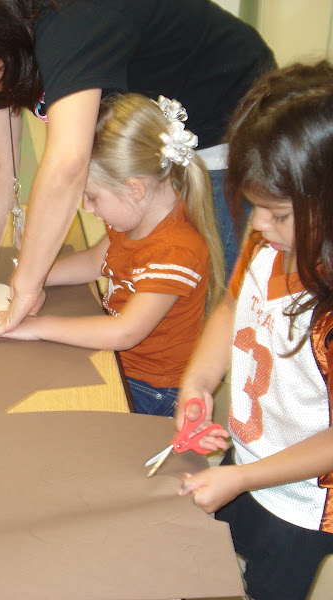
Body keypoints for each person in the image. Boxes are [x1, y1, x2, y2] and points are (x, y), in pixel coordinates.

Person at [0, 0, 275, 344]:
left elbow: (68, 163)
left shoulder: (70, 18)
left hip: (226, 118)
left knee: (198, 308)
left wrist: (26, 286)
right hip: (157, 126)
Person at [176, 61, 333, 600]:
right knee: (212, 563)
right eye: (256, 207)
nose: (258, 225)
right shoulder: (272, 240)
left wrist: (243, 479)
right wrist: (198, 382)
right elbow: (230, 309)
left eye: (278, 213)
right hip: (247, 457)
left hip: (304, 503)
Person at [0, 93, 223, 416]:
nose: (87, 207)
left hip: (150, 389)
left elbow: (124, 332)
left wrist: (35, 327)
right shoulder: (135, 218)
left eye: (92, 196)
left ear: (134, 188)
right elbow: (95, 261)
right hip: (117, 362)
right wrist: (30, 277)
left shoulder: (175, 251)